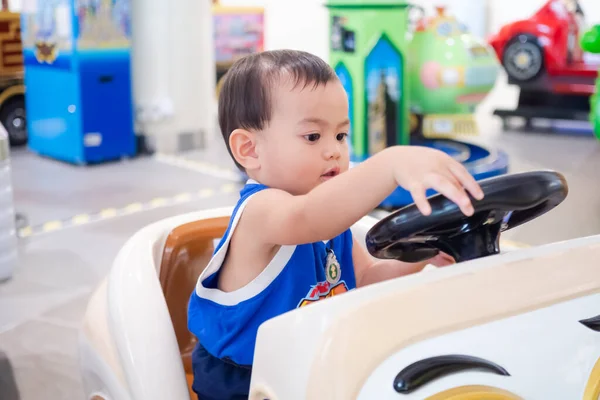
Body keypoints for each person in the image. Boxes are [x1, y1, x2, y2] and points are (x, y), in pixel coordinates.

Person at [187, 49, 484, 399]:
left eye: (341, 136)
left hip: (313, 366)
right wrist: (390, 163)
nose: (334, 151)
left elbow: (367, 277)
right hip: (246, 382)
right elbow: (308, 217)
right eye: (313, 137)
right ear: (249, 149)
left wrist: (423, 252)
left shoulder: (329, 222)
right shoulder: (261, 212)